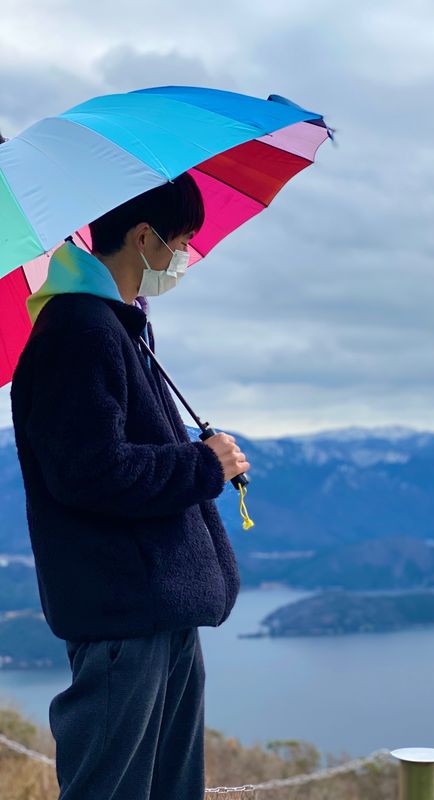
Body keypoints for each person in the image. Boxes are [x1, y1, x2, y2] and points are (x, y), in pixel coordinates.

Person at [9, 173, 250, 799]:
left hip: (154, 606)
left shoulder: (113, 326)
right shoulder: (79, 332)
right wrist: (204, 466)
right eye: (182, 240)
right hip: (124, 611)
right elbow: (90, 472)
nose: (185, 257)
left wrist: (203, 461)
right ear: (143, 238)